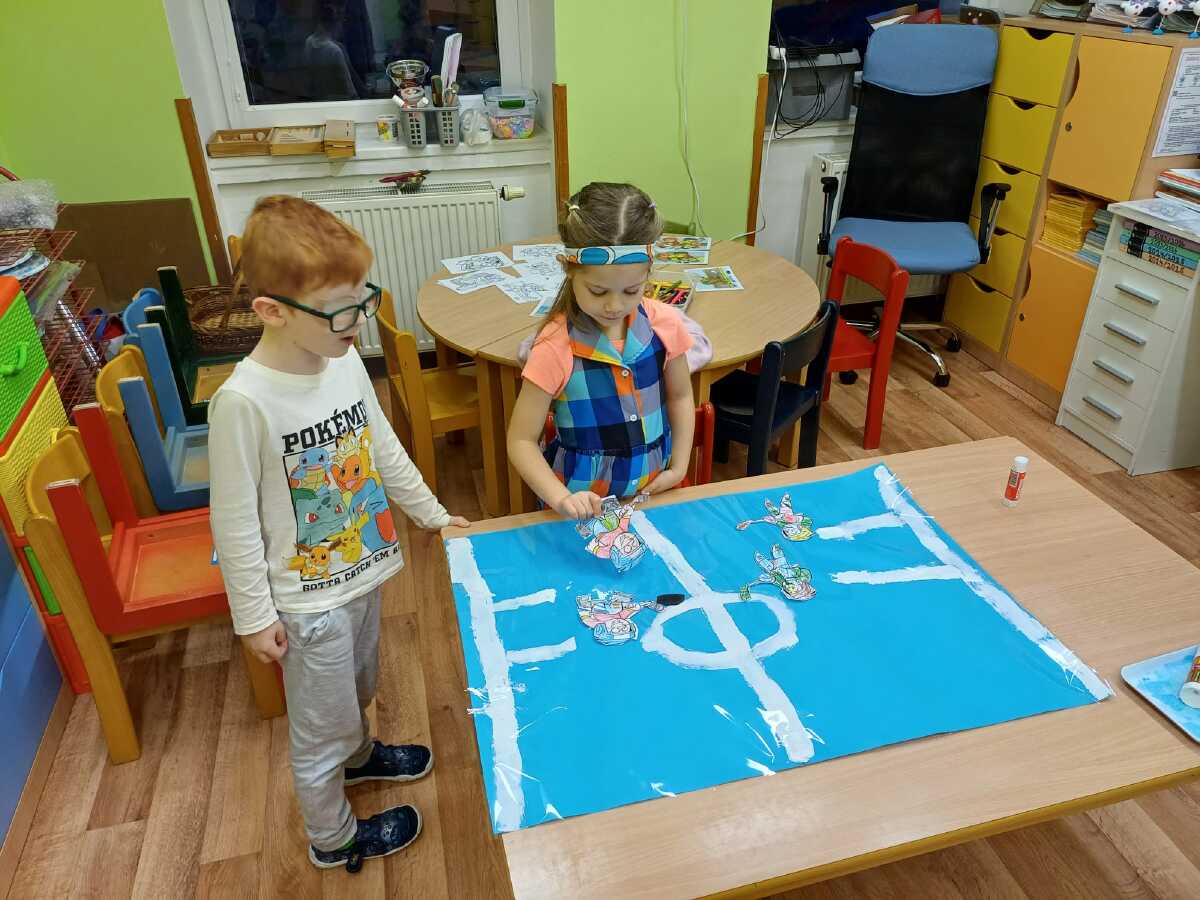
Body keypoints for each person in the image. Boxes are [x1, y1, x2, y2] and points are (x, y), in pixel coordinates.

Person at [207, 195, 468, 871]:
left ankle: (359, 756)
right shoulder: (243, 402)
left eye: (362, 300)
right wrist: (253, 618)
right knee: (318, 732)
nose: (358, 322)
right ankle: (334, 838)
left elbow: (383, 449)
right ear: (272, 311)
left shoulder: (343, 359)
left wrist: (433, 515)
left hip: (364, 574)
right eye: (338, 310)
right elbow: (232, 523)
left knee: (356, 689)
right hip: (307, 605)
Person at [506, 182, 696, 521]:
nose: (614, 305)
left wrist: (680, 466)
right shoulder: (555, 347)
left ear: (648, 273)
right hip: (582, 511)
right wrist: (562, 499)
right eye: (597, 291)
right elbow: (521, 440)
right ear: (568, 269)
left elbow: (680, 396)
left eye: (631, 290)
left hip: (652, 497)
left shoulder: (666, 324)